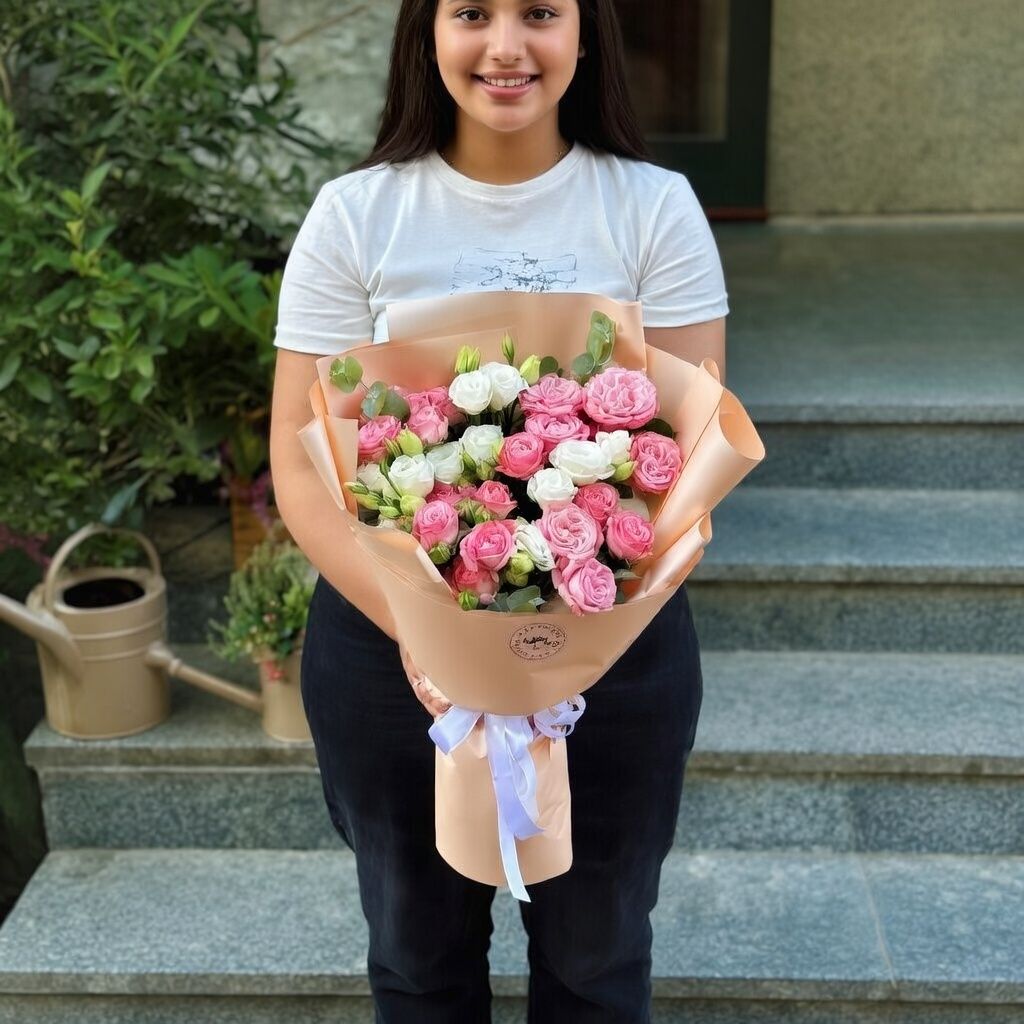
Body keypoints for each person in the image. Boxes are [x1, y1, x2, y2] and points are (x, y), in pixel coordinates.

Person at [269, 1, 729, 1020]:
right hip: (393, 660)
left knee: (598, 965)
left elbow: (688, 459)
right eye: (472, 12)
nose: (506, 46)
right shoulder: (356, 215)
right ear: (426, 32)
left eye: (540, 12)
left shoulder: (653, 209)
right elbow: (301, 475)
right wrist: (437, 641)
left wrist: (555, 641)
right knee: (417, 963)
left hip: (611, 654)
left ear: (584, 32)